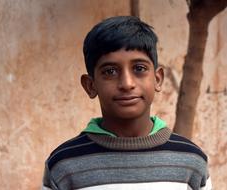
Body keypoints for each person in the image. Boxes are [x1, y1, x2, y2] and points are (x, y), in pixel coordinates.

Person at [42, 16, 212, 190]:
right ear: (90, 85)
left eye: (139, 68)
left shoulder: (191, 161)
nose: (127, 83)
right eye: (110, 71)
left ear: (158, 79)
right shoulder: (64, 166)